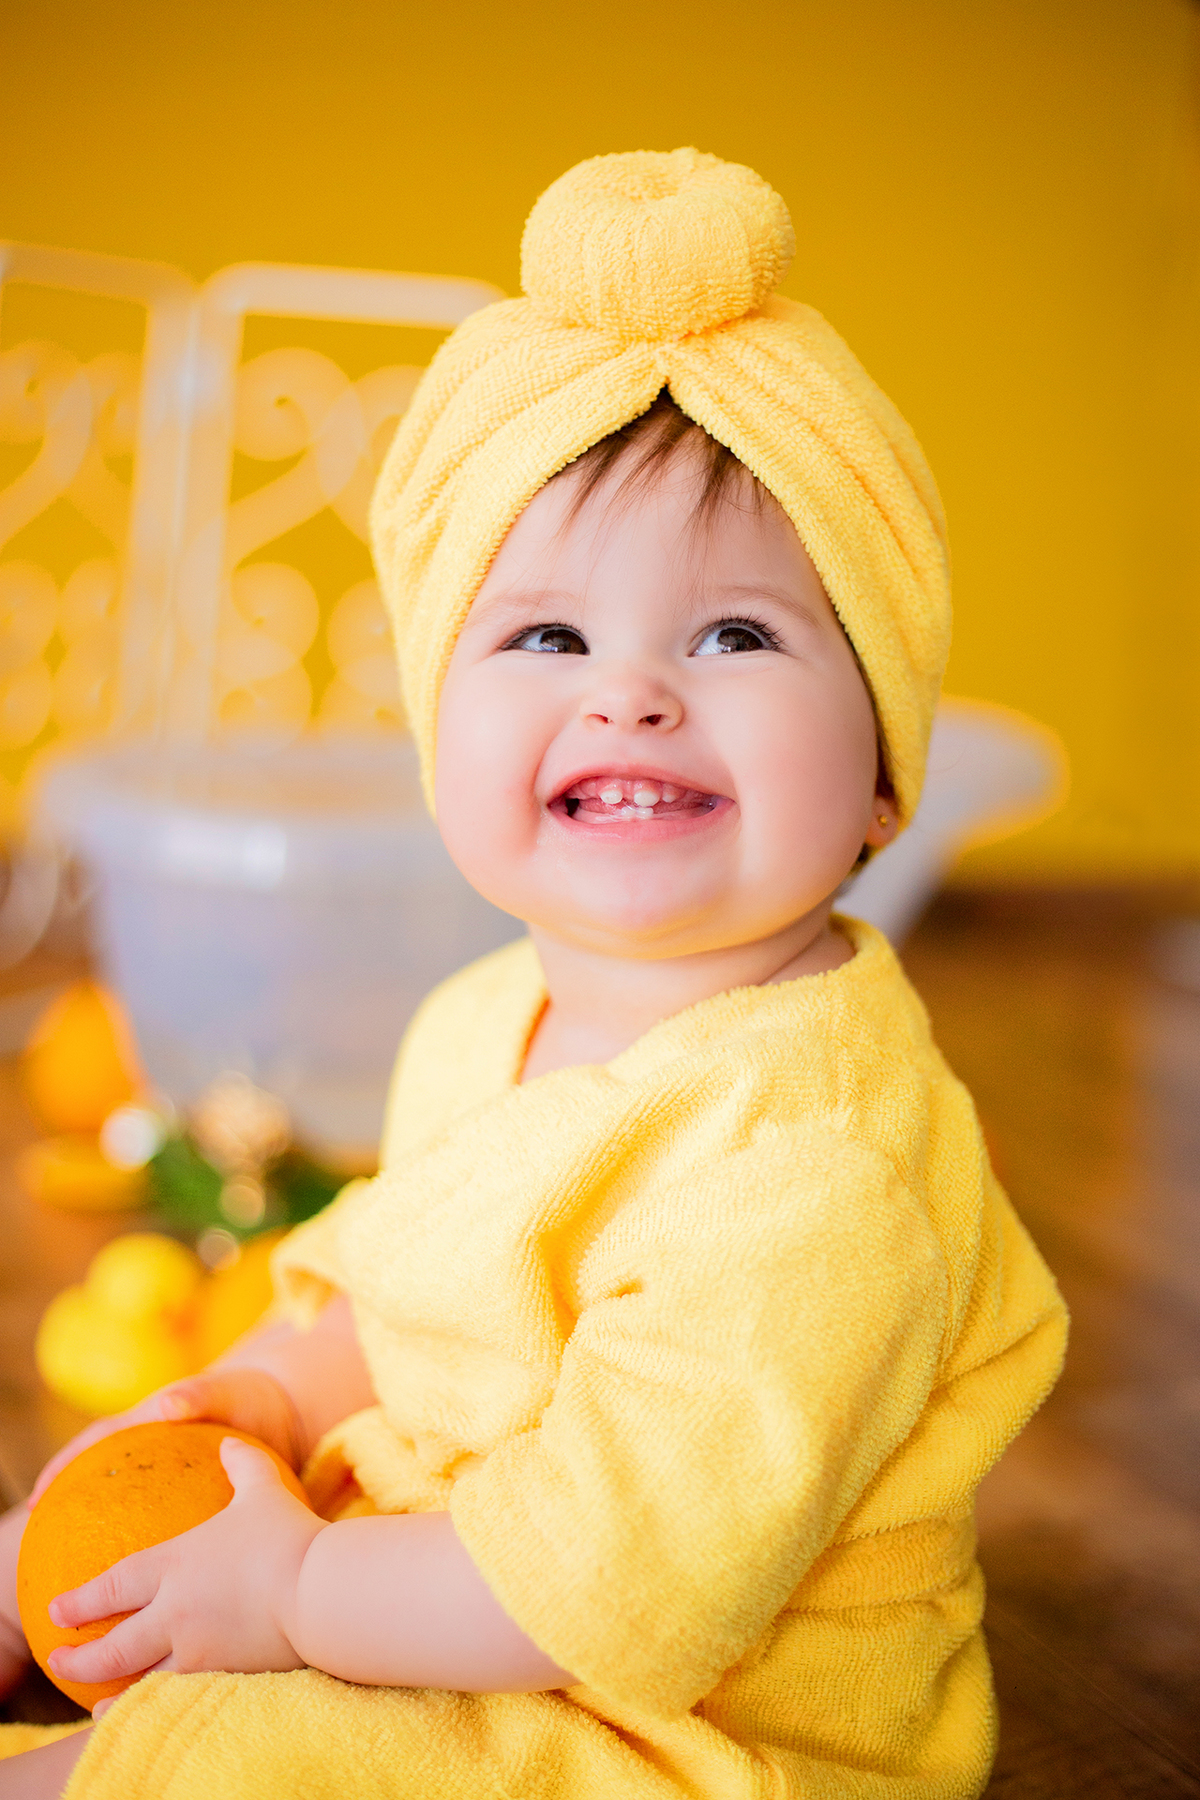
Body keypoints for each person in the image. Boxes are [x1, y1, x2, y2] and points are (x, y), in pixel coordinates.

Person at [0, 148, 1067, 1799]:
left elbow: (596, 1583)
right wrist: (261, 1399)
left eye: (735, 637)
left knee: (230, 1764)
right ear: (441, 745)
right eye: (548, 638)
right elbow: (400, 1306)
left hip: (688, 1719)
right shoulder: (483, 1015)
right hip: (444, 1579)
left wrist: (288, 1588)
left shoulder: (815, 1178)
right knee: (79, 1570)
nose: (632, 692)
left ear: (882, 776)